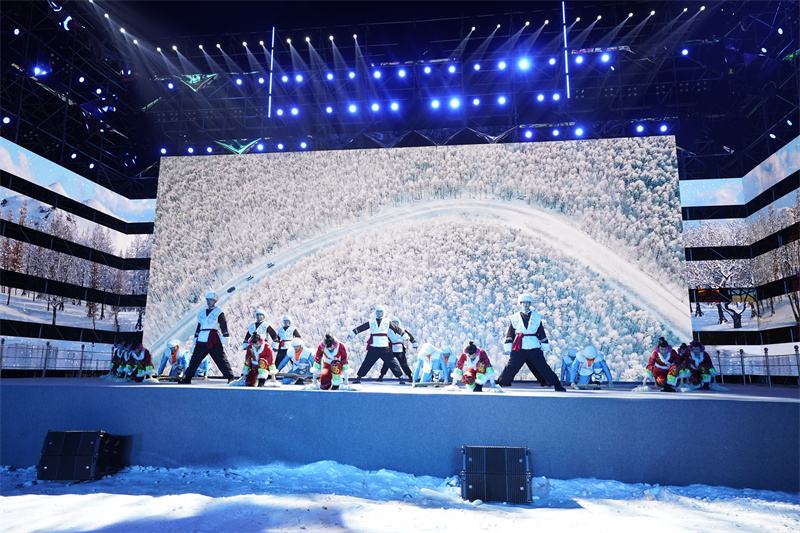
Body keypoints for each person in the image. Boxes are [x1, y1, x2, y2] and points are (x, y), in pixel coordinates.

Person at [496, 294, 566, 392]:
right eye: (523, 303)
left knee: (542, 366)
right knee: (511, 366)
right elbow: (510, 333)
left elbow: (541, 332)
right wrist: (508, 346)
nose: (525, 305)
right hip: (519, 346)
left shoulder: (536, 317)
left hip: (533, 345)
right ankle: (499, 383)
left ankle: (556, 384)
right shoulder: (515, 318)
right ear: (520, 304)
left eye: (527, 303)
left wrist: (545, 344)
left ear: (530, 304)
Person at [179, 291, 236, 384]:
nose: (209, 302)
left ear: (215, 301)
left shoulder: (218, 312)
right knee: (195, 359)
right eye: (208, 300)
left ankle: (230, 376)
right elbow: (199, 326)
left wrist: (226, 335)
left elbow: (223, 325)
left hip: (213, 338)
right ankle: (187, 377)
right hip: (202, 338)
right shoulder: (202, 313)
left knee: (220, 358)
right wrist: (196, 336)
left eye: (211, 300)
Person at [349, 305, 405, 384]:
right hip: (374, 346)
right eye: (377, 311)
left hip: (384, 347)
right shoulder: (371, 321)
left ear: (383, 312)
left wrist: (404, 335)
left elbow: (397, 329)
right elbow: (362, 327)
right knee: (367, 362)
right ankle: (359, 377)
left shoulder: (387, 321)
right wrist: (353, 332)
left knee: (392, 362)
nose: (379, 313)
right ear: (375, 312)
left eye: (380, 312)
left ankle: (400, 378)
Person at [378, 317, 417, 382]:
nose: (395, 324)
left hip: (400, 349)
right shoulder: (387, 330)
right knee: (387, 363)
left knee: (403, 364)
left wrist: (413, 342)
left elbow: (409, 336)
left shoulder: (402, 330)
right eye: (393, 323)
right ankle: (381, 376)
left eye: (396, 322)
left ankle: (410, 376)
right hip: (390, 349)